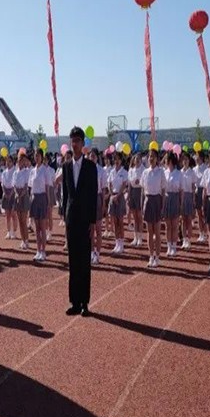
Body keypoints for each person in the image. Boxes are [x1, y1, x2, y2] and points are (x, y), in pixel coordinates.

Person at [61, 126, 98, 315]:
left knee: (84, 262)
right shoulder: (66, 166)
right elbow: (65, 194)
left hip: (85, 220)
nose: (74, 144)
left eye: (77, 141)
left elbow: (93, 195)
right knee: (73, 261)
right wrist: (64, 216)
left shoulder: (90, 167)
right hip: (71, 219)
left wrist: (93, 221)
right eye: (72, 141)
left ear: (83, 144)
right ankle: (74, 301)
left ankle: (84, 302)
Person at [141, 148, 164, 268]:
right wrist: (142, 204)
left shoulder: (161, 172)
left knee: (157, 232)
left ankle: (158, 257)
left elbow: (163, 189)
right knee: (149, 232)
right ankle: (151, 256)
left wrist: (162, 205)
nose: (151, 158)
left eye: (153, 156)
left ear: (157, 159)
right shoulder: (145, 172)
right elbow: (142, 190)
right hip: (148, 200)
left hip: (157, 200)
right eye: (149, 156)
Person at [29, 149, 51, 262]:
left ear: (42, 157)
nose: (36, 157)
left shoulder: (45, 170)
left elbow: (47, 188)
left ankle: (43, 251)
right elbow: (30, 187)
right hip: (34, 198)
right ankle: (38, 250)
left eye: (38, 155)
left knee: (42, 227)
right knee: (36, 228)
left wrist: (47, 202)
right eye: (35, 155)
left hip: (42, 198)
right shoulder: (32, 171)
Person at [107, 151, 128, 254]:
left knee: (120, 221)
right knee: (114, 221)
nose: (116, 161)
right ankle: (117, 243)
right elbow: (109, 185)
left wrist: (117, 196)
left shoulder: (124, 172)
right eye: (115, 159)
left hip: (120, 197)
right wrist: (112, 195)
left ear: (121, 160)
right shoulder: (111, 172)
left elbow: (124, 185)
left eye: (118, 159)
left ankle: (122, 244)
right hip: (113, 197)